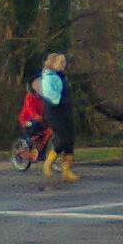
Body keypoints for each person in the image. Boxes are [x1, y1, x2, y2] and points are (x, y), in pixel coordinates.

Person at [36, 52, 79, 182]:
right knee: (63, 138)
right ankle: (48, 162)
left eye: (64, 62)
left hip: (65, 110)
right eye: (61, 62)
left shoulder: (62, 76)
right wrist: (62, 100)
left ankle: (67, 171)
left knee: (70, 139)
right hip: (54, 111)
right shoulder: (48, 76)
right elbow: (50, 93)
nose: (64, 64)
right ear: (53, 64)